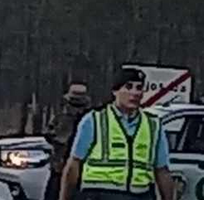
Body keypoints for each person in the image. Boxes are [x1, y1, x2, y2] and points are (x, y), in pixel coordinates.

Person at [59, 68, 174, 200]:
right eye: (128, 87)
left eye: (139, 88)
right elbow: (74, 164)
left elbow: (162, 170)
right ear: (115, 91)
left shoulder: (153, 125)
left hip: (140, 194)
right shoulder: (94, 120)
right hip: (100, 194)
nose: (135, 93)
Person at [44, 83, 92, 200]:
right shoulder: (90, 119)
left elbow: (49, 134)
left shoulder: (62, 117)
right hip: (71, 168)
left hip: (66, 168)